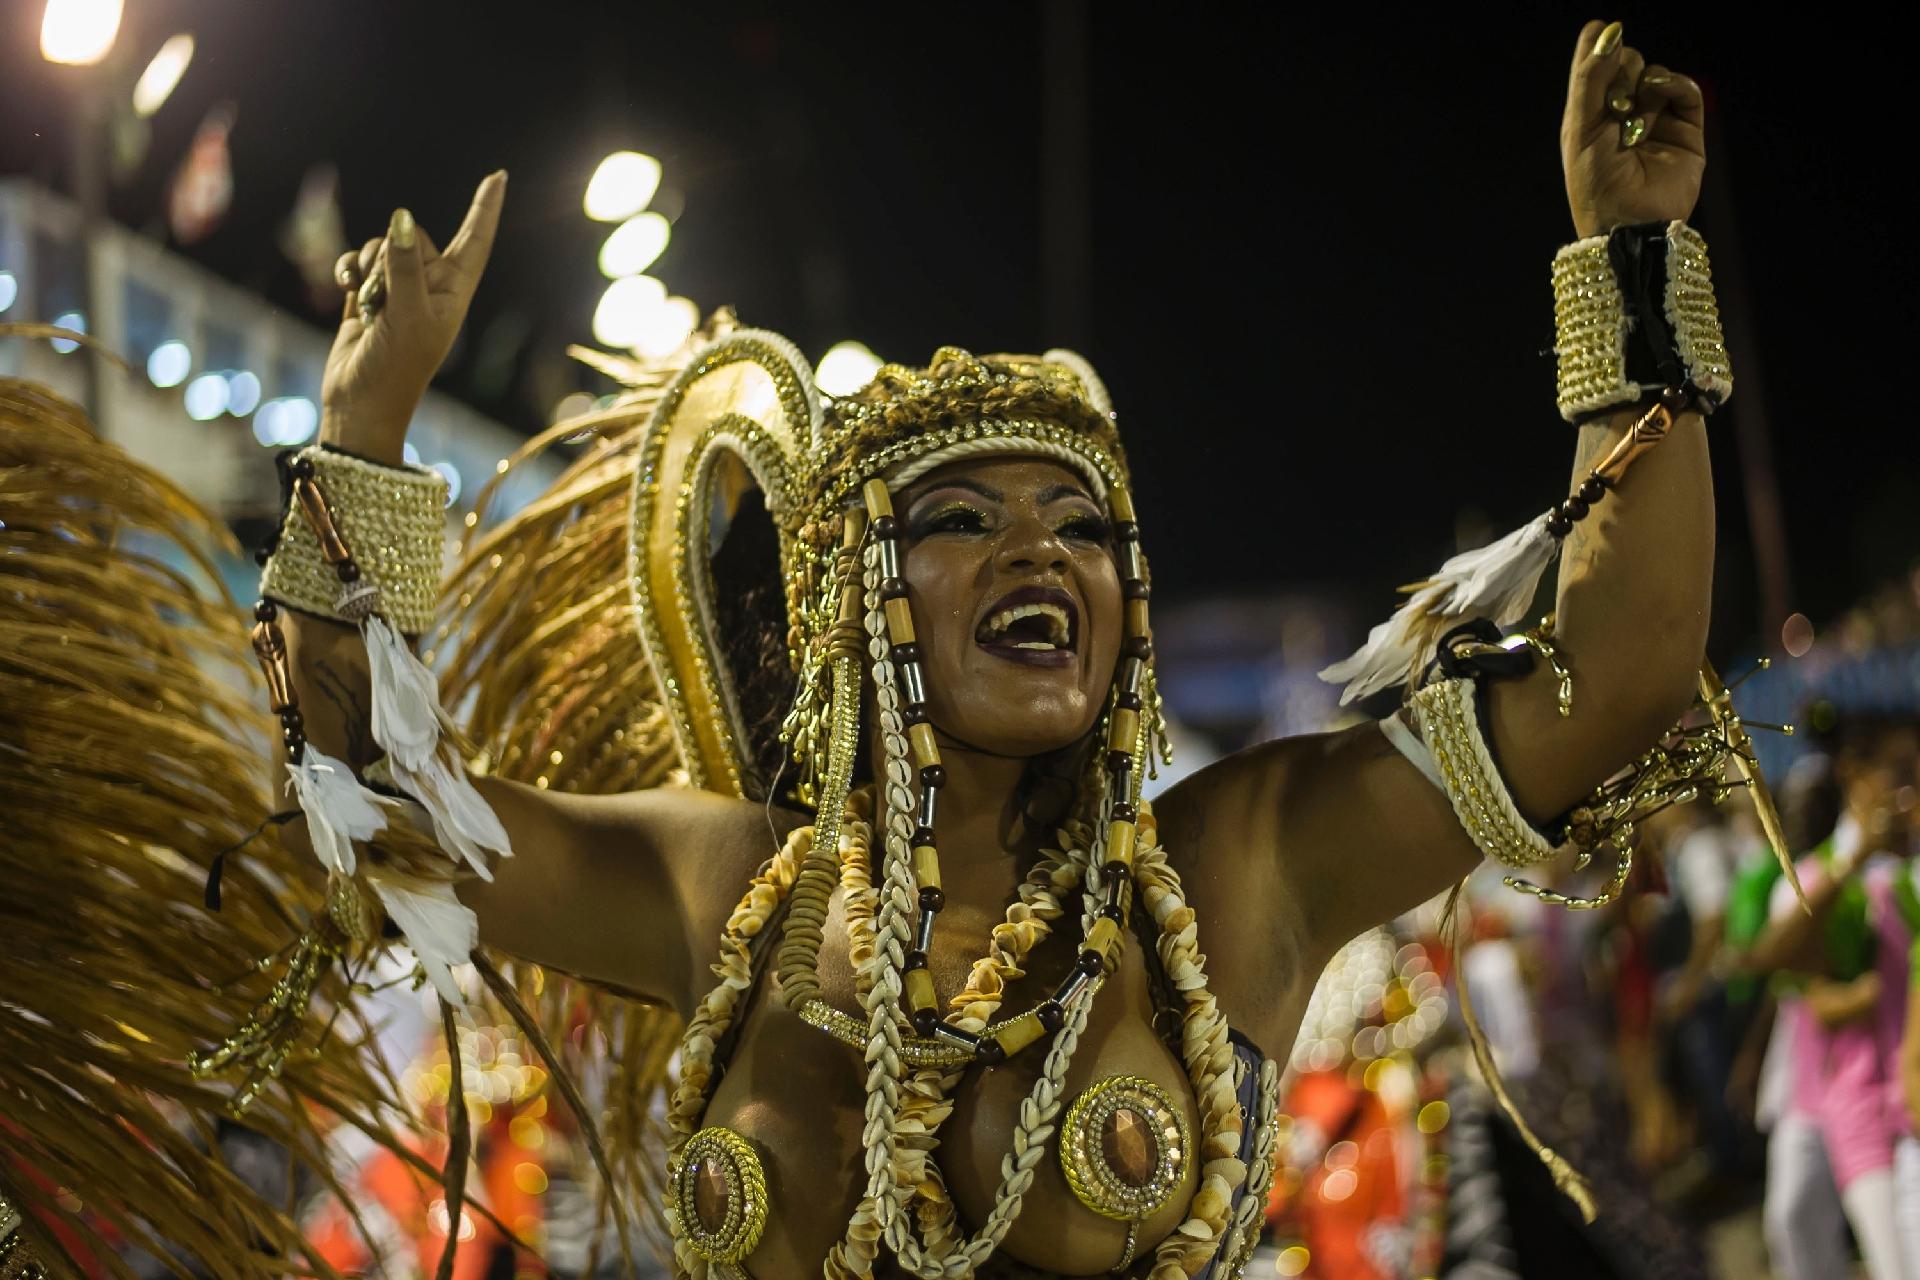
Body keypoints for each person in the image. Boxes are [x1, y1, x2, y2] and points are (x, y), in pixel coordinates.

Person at [2, 19, 1747, 1280]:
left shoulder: (1235, 876)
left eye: (1079, 528)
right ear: (855, 606)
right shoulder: (727, 895)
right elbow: (377, 809)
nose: (1038, 555)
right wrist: (363, 424)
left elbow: (1624, 671)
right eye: (964, 522)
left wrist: (1636, 263)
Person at [1742, 719, 1920, 1280]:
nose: (1908, 789)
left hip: (1909, 1098)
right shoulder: (1817, 876)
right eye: (1900, 773)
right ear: (1854, 776)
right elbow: (1776, 961)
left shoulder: (1910, 871)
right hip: (1849, 1101)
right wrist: (1857, 858)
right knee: (1800, 1222)